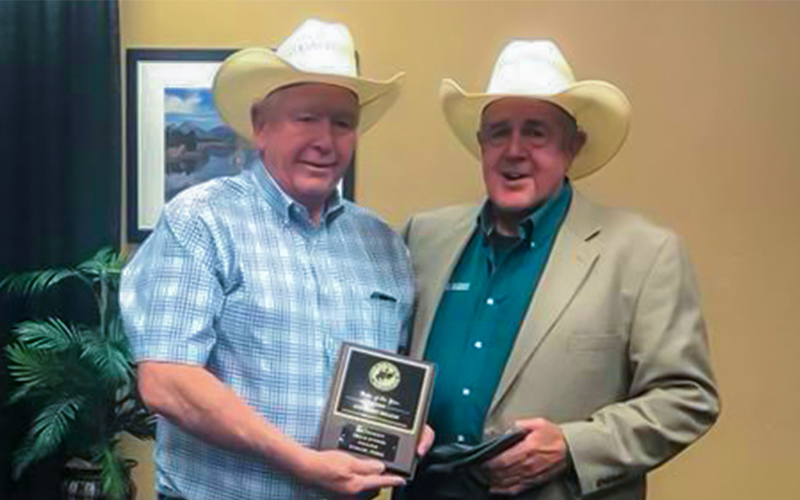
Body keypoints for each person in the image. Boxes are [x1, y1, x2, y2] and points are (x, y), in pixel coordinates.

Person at [120, 19, 430, 500]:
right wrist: (302, 462)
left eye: (342, 122)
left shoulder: (383, 244)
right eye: (305, 118)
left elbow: (392, 378)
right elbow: (167, 381)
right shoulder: (201, 220)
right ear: (261, 125)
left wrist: (411, 429)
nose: (325, 140)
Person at [402, 40, 719, 500]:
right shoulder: (422, 238)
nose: (514, 151)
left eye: (536, 132)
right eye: (498, 132)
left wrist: (572, 446)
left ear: (573, 147)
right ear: (480, 145)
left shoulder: (644, 254)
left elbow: (687, 398)